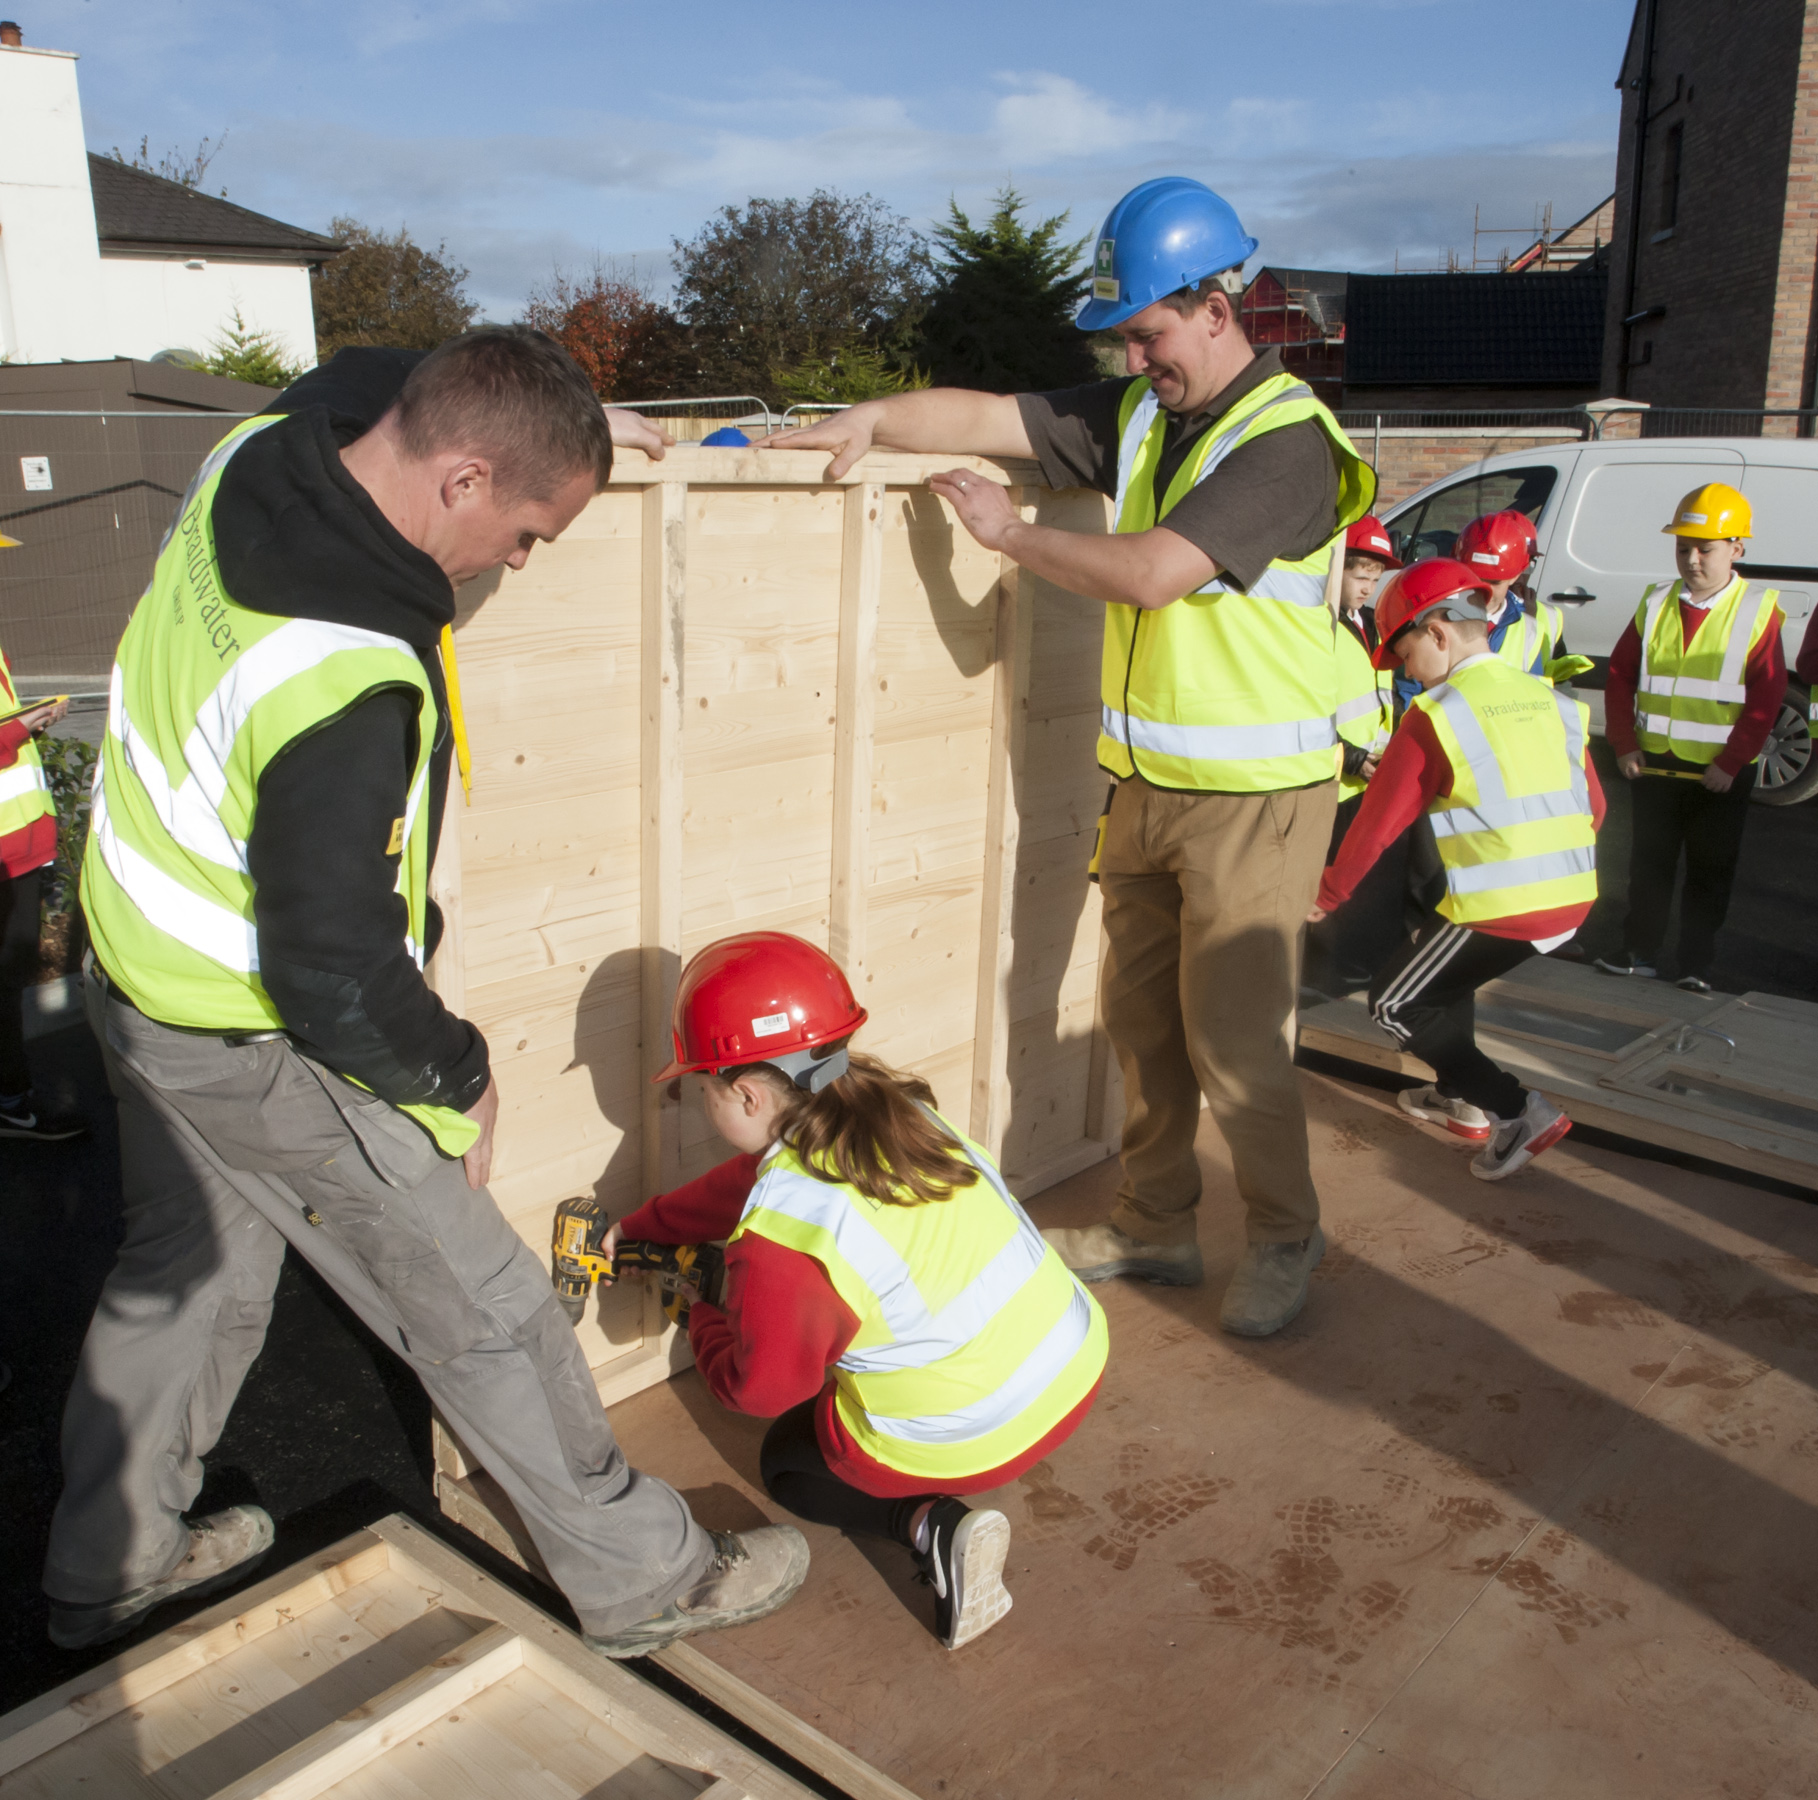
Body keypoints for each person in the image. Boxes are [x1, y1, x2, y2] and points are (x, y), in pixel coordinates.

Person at [45, 329, 807, 1660]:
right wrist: (457, 1074)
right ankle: (648, 1581)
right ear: (459, 478)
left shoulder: (264, 449)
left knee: (192, 1277)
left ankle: (109, 1565)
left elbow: (399, 371)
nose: (518, 565)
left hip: (136, 959)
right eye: (525, 533)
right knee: (487, 1308)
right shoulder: (341, 679)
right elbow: (331, 975)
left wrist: (577, 431)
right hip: (251, 1026)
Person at [765, 177, 1375, 1339]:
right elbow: (989, 414)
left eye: (1149, 333)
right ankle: (1157, 1225)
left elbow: (1153, 569)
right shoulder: (1144, 415)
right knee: (1142, 1025)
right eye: (1124, 340)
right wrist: (870, 418)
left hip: (1258, 798)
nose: (1139, 358)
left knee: (1237, 1040)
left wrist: (1011, 535)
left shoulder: (1288, 443)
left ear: (1215, 302)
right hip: (1145, 786)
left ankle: (1286, 1235)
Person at [606, 932, 1108, 1650]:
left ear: (745, 1094)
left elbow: (758, 1392)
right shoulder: (896, 1112)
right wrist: (643, 1226)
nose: (699, 1102)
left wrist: (702, 1312)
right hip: (1071, 1366)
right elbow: (751, 1184)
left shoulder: (785, 1238)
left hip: (983, 1433)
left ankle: (934, 1526)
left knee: (788, 1457)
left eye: (700, 1088)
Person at [1309, 558, 1603, 1181]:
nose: (1405, 672)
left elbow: (1378, 825)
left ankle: (1517, 1110)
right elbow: (1594, 809)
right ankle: (1468, 1097)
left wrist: (1329, 893)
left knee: (1393, 1003)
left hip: (1504, 903)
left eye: (1406, 653)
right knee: (1433, 983)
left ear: (1439, 633)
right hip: (1571, 896)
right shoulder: (1552, 701)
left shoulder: (1437, 715)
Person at [1594, 483, 1786, 994]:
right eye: (1683, 548)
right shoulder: (1655, 601)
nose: (1693, 559)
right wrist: (1623, 742)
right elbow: (1620, 675)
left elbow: (1768, 694)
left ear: (1737, 549)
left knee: (1710, 871)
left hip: (1719, 775)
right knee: (1648, 866)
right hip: (1656, 763)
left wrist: (1734, 761)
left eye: (1706, 548)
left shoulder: (1759, 608)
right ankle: (1638, 950)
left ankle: (1696, 963)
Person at [1303, 519, 1399, 998]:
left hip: (1362, 779)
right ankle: (1312, 980)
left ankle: (1336, 971)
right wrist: (1356, 756)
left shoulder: (1363, 624)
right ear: (1334, 568)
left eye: (1375, 578)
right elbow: (1308, 708)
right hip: (1332, 778)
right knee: (1319, 889)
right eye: (1360, 574)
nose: (1368, 587)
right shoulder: (1317, 625)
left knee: (1353, 884)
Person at [0, 647, 81, 1140]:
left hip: (17, 847)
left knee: (9, 978)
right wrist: (18, 729)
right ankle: (10, 1103)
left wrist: (30, 724)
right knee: (5, 980)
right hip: (5, 854)